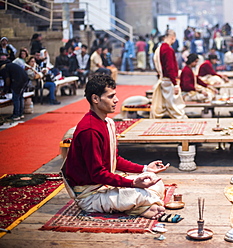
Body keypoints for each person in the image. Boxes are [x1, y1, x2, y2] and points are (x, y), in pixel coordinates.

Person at [62, 74, 169, 219]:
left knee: (154, 180)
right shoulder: (90, 130)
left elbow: (114, 159)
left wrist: (145, 169)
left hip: (103, 186)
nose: (116, 100)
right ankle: (142, 207)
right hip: (90, 195)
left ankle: (143, 207)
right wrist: (132, 183)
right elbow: (97, 174)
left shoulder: (107, 123)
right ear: (95, 99)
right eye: (111, 96)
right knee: (143, 193)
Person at [150, 29, 187, 119]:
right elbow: (169, 68)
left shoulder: (159, 48)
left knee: (161, 105)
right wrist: (175, 84)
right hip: (168, 81)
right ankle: (182, 122)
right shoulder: (168, 50)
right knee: (175, 107)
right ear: (173, 38)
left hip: (163, 79)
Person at [0, 56, 29, 121]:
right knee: (20, 97)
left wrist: (5, 90)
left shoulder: (4, 69)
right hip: (25, 78)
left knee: (16, 98)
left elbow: (7, 80)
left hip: (18, 81)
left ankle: (16, 114)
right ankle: (20, 114)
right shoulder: (11, 65)